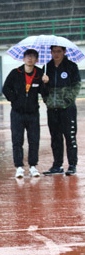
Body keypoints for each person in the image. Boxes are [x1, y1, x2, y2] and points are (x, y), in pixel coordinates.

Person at [2, 49, 47, 178]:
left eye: (33, 56)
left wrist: (45, 83)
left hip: (33, 113)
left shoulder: (40, 73)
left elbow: (44, 93)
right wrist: (15, 100)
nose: (30, 59)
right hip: (17, 113)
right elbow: (6, 88)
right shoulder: (15, 73)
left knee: (34, 140)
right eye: (27, 56)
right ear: (23, 58)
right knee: (17, 140)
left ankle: (33, 166)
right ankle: (19, 167)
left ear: (36, 59)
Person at [42, 45, 81, 176]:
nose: (56, 54)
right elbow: (43, 90)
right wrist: (45, 84)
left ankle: (72, 165)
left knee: (70, 137)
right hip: (52, 109)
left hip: (67, 109)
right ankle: (57, 165)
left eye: (59, 51)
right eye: (54, 51)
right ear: (51, 52)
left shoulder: (71, 66)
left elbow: (76, 85)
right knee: (55, 138)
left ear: (64, 51)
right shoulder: (47, 68)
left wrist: (67, 100)